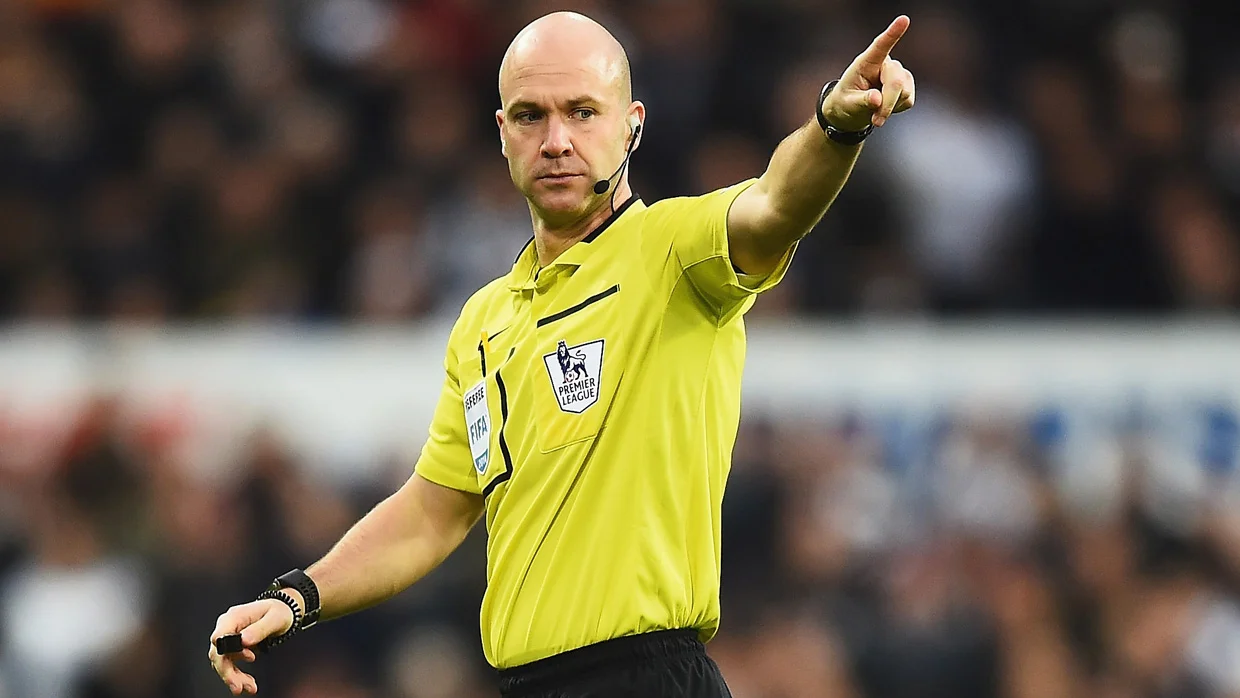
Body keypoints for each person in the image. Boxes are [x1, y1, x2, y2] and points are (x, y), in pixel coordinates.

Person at [208, 11, 915, 697]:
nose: (555, 141)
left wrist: (834, 125)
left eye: (582, 113)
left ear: (632, 124)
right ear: (502, 133)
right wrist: (296, 597)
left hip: (646, 678)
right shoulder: (485, 320)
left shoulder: (673, 253)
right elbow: (433, 510)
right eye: (530, 116)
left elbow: (775, 205)